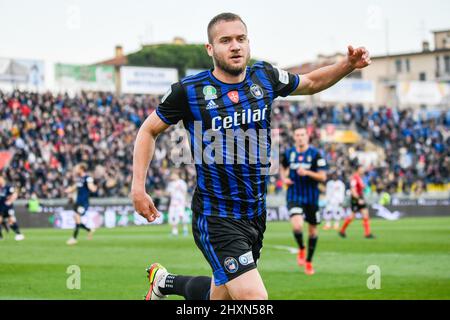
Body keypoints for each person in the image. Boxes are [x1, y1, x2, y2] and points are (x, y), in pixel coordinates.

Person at [131, 12, 371, 300]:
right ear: (210, 49)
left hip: (255, 213)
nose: (235, 46)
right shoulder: (190, 91)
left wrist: (347, 65)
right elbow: (148, 131)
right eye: (226, 40)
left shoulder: (264, 76)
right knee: (253, 300)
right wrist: (138, 187)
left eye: (241, 39)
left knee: (220, 298)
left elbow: (309, 83)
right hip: (216, 214)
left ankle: (164, 282)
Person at [280, 127, 327, 275]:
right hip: (294, 195)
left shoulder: (316, 154)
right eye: (297, 135)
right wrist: (284, 179)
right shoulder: (288, 153)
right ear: (294, 137)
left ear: (307, 137)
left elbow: (323, 177)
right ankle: (301, 247)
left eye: (302, 135)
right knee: (297, 226)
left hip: (311, 197)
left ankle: (309, 261)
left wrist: (306, 172)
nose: (300, 137)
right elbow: (282, 167)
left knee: (313, 231)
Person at [339, 164, 375, 239]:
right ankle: (342, 231)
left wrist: (365, 188)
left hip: (360, 198)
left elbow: (361, 187)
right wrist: (358, 199)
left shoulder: (360, 178)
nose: (363, 170)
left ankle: (367, 234)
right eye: (361, 168)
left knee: (365, 215)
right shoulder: (354, 178)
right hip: (356, 199)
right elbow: (353, 190)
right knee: (352, 216)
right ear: (358, 169)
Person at [65, 163, 97, 245]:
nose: (76, 170)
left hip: (84, 203)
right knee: (76, 218)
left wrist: (93, 188)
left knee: (77, 217)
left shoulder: (88, 178)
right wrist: (68, 190)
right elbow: (73, 188)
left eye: (77, 168)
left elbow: (91, 187)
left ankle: (74, 238)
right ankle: (89, 230)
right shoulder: (79, 179)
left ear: (82, 169)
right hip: (78, 202)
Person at [0, 176, 25, 241]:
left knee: (11, 221)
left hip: (8, 207)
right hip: (1, 207)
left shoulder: (8, 187)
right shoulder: (1, 188)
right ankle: (0, 236)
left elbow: (15, 194)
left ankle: (19, 234)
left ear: (3, 180)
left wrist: (10, 201)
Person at [166, 171, 189, 236]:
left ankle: (185, 229)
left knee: (181, 216)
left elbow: (185, 192)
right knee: (173, 217)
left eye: (173, 174)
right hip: (173, 203)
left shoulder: (182, 182)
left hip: (180, 202)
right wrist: (172, 191)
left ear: (177, 175)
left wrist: (185, 201)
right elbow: (168, 193)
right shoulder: (171, 184)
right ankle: (174, 231)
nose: (172, 176)